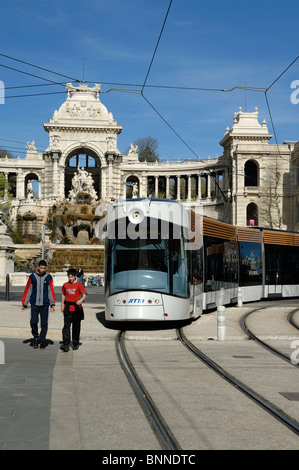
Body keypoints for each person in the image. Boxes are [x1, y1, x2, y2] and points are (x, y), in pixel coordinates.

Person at [22, 260, 56, 350]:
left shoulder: (48, 277)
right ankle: (36, 336)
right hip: (34, 303)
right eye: (41, 268)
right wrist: (25, 304)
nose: (42, 270)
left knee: (44, 323)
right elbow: (28, 290)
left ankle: (42, 340)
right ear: (38, 266)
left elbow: (50, 291)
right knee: (33, 321)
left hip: (45, 304)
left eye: (44, 268)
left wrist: (52, 304)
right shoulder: (32, 277)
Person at [60, 268, 87, 352]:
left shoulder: (79, 285)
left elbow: (84, 294)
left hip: (76, 308)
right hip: (68, 306)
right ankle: (66, 343)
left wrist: (81, 300)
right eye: (69, 277)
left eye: (71, 277)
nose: (70, 279)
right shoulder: (65, 285)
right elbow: (63, 295)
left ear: (75, 276)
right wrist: (62, 306)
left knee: (76, 326)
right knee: (66, 326)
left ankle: (75, 343)